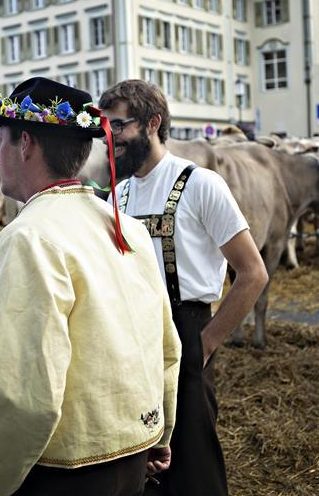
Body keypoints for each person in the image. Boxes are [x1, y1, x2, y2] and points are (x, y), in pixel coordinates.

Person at [0, 77, 181, 495]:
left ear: (25, 143)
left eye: (0, 141)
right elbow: (165, 347)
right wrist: (159, 433)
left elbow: (29, 396)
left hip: (64, 469)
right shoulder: (125, 227)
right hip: (134, 451)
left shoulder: (28, 238)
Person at [100, 79, 269, 496]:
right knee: (139, 464)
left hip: (186, 329)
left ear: (153, 123)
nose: (110, 138)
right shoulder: (115, 197)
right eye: (106, 128)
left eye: (118, 126)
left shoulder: (201, 184)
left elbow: (253, 274)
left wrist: (205, 343)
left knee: (195, 469)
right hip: (130, 341)